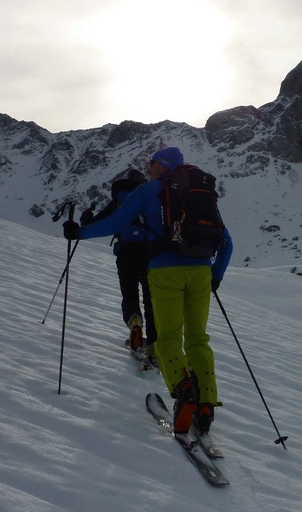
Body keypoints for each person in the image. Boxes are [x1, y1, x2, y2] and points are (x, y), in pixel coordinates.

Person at [63, 147, 233, 436]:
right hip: (202, 272)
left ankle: (183, 393)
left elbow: (116, 222)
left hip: (165, 270)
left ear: (161, 165)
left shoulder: (150, 190)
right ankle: (205, 405)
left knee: (167, 338)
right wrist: (214, 277)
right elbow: (226, 243)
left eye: (151, 163)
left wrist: (78, 232)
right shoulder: (200, 193)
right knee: (197, 339)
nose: (148, 167)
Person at [80, 169, 157, 365]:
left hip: (125, 254)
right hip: (149, 255)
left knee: (129, 294)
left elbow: (104, 222)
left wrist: (86, 218)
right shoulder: (148, 198)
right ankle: (155, 344)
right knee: (151, 299)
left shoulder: (118, 201)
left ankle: (135, 327)